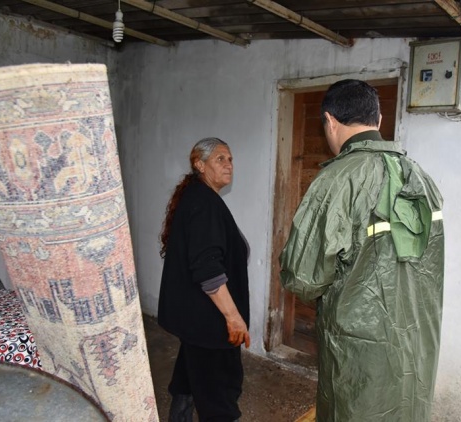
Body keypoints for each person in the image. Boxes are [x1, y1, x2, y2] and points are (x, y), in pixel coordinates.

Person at [279, 79, 445, 422]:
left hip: (358, 350)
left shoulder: (336, 180)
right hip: (416, 344)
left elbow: (303, 278)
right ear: (379, 120)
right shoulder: (422, 179)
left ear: (330, 121)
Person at [158, 137, 250, 422]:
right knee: (219, 393)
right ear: (199, 164)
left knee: (190, 375)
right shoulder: (205, 203)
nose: (228, 164)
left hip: (195, 318)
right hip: (210, 320)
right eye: (220, 158)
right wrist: (233, 318)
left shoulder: (197, 197)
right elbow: (207, 269)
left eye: (230, 159)